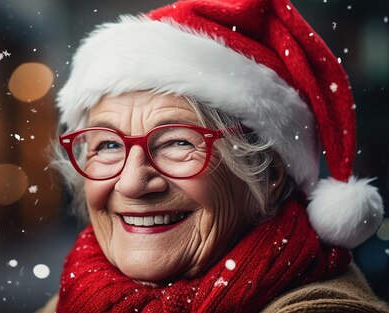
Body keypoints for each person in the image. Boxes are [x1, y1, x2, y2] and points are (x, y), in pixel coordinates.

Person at [40, 0, 389, 312]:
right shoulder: (77, 295)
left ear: (268, 174)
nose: (132, 183)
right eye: (108, 145)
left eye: (177, 142)